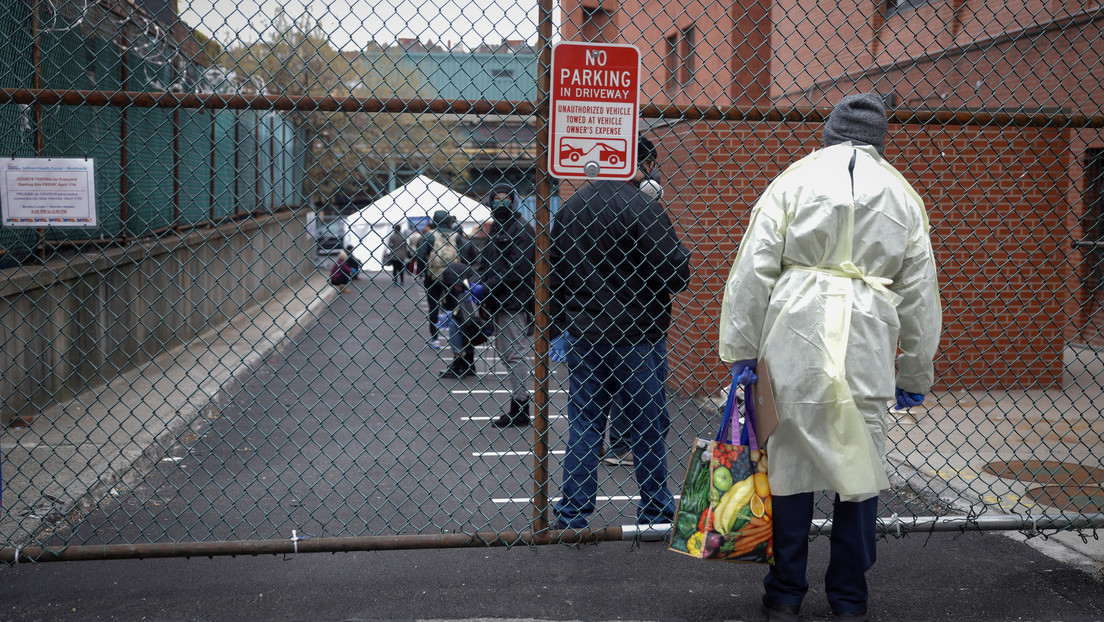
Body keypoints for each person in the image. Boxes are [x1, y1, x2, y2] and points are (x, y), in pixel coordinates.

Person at [718, 93, 941, 622]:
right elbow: (919, 291)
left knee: (790, 464)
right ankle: (848, 600)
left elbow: (753, 270)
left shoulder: (793, 181)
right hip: (867, 337)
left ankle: (785, 594)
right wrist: (915, 370)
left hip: (796, 332)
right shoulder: (902, 195)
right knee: (859, 469)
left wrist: (741, 350)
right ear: (880, 140)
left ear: (830, 133)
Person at [550, 134, 692, 529]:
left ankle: (573, 513)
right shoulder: (644, 208)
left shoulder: (572, 207)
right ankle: (655, 510)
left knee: (586, 422)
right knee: (647, 424)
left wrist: (561, 323)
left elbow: (555, 274)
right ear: (638, 165)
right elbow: (675, 275)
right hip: (637, 335)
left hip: (585, 331)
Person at [459, 184, 536, 427]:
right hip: (499, 302)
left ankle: (521, 408)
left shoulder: (523, 230)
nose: (500, 204)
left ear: (513, 201)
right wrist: (475, 283)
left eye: (505, 199)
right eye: (495, 200)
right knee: (507, 354)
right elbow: (487, 264)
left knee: (514, 355)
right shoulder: (496, 228)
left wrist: (487, 287)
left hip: (514, 302)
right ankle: (519, 403)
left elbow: (518, 270)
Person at [416, 210, 465, 349]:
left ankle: (435, 339)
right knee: (453, 307)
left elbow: (420, 255)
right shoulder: (456, 236)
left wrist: (424, 271)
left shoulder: (429, 236)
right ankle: (454, 338)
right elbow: (464, 254)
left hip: (433, 276)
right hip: (452, 277)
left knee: (433, 307)